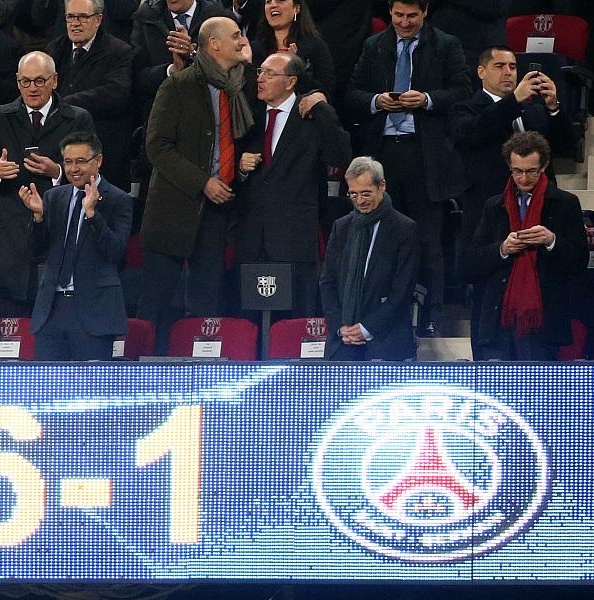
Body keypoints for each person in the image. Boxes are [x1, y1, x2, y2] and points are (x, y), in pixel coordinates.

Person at [346, 0, 472, 336]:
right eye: (398, 15)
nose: (404, 22)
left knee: (428, 242)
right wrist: (376, 101)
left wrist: (427, 99)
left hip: (425, 157)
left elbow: (462, 91)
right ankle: (384, 318)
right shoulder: (374, 45)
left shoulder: (446, 44)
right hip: (383, 156)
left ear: (425, 12)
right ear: (389, 11)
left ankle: (431, 315)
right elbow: (352, 93)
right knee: (383, 242)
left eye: (412, 16)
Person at [136, 16, 253, 352]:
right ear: (214, 44)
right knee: (156, 302)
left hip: (218, 211)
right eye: (235, 36)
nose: (242, 41)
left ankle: (201, 367)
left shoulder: (240, 86)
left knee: (206, 301)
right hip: (173, 209)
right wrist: (203, 182)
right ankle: (141, 367)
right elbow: (156, 146)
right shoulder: (179, 85)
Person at [0, 50, 93, 316]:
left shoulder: (78, 118)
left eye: (40, 81)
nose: (32, 88)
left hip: (59, 222)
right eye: (25, 81)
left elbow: (91, 170)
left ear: (55, 80)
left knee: (55, 313)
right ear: (17, 81)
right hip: (10, 228)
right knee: (11, 319)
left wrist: (58, 171)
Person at [236, 50, 350, 317]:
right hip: (253, 239)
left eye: (269, 74)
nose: (260, 79)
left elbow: (340, 156)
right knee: (252, 322)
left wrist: (322, 107)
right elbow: (233, 167)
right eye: (260, 72)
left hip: (294, 240)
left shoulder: (310, 115)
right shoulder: (250, 115)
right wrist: (241, 168)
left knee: (293, 321)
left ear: (290, 82)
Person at [464, 131, 588, 361]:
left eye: (531, 171)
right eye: (517, 171)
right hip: (499, 319)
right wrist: (502, 249)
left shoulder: (564, 204)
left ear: (544, 166)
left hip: (543, 320)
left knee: (538, 382)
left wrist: (551, 241)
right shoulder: (494, 206)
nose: (523, 178)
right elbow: (471, 262)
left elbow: (579, 261)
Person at [450, 46, 571, 271]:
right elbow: (474, 134)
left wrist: (553, 107)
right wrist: (514, 100)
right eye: (499, 66)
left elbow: (563, 147)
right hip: (491, 209)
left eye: (513, 67)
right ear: (481, 72)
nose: (508, 72)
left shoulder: (534, 110)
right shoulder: (464, 109)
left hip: (540, 207)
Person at [20, 131, 131, 360]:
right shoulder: (53, 197)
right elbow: (35, 252)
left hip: (94, 312)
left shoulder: (117, 199)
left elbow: (115, 253)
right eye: (68, 162)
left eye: (81, 161)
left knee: (91, 382)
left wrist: (92, 214)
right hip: (51, 310)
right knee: (48, 382)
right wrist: (38, 218)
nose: (73, 169)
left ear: (98, 160)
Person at [320, 156, 420, 361]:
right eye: (353, 194)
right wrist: (341, 327)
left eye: (366, 193)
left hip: (386, 342)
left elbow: (402, 291)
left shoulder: (404, 229)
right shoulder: (341, 227)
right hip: (343, 342)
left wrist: (366, 328)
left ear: (381, 186)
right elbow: (327, 282)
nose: (359, 201)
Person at [45, 0, 134, 190]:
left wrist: (64, 103)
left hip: (103, 147)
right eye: (70, 17)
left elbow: (116, 94)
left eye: (83, 17)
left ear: (98, 19)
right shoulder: (56, 48)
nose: (75, 23)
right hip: (61, 148)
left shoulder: (118, 51)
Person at [131, 0, 232, 115]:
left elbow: (228, 72)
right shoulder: (146, 17)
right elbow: (137, 78)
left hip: (210, 112)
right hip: (163, 113)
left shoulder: (219, 18)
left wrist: (193, 55)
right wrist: (170, 70)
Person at [244, 0, 335, 97]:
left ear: (296, 8)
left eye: (280, 0)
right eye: (268, 2)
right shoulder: (255, 49)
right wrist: (248, 66)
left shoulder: (315, 46)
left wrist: (296, 67)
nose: (273, 5)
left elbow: (325, 88)